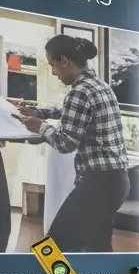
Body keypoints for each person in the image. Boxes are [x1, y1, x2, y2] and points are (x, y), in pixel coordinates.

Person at [11, 35, 130, 252]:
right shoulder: (99, 85)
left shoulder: (79, 91)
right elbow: (72, 113)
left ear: (64, 61)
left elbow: (65, 143)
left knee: (54, 248)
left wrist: (40, 126)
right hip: (116, 182)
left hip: (98, 186)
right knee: (98, 248)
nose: (54, 72)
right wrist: (40, 112)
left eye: (53, 65)